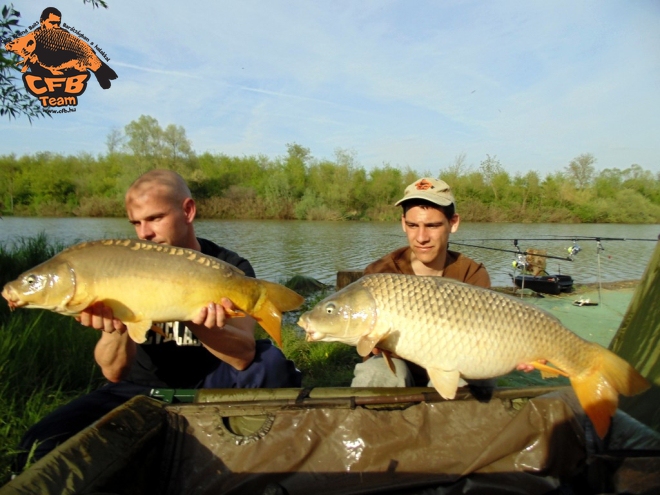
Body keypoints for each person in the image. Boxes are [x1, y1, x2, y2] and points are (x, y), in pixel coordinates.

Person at [14, 169, 301, 472]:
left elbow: (243, 356)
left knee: (270, 365)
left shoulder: (228, 267)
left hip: (212, 381)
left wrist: (195, 317)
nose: (143, 233)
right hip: (140, 389)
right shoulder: (120, 264)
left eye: (154, 218)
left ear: (188, 211)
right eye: (136, 223)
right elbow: (113, 372)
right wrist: (117, 328)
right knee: (40, 442)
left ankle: (260, 465)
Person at [351, 177, 492, 389]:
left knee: (472, 381)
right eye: (412, 225)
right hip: (398, 365)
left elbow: (486, 342)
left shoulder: (471, 274)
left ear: (453, 223)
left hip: (456, 363)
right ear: (403, 223)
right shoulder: (380, 274)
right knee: (376, 373)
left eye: (432, 225)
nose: (421, 237)